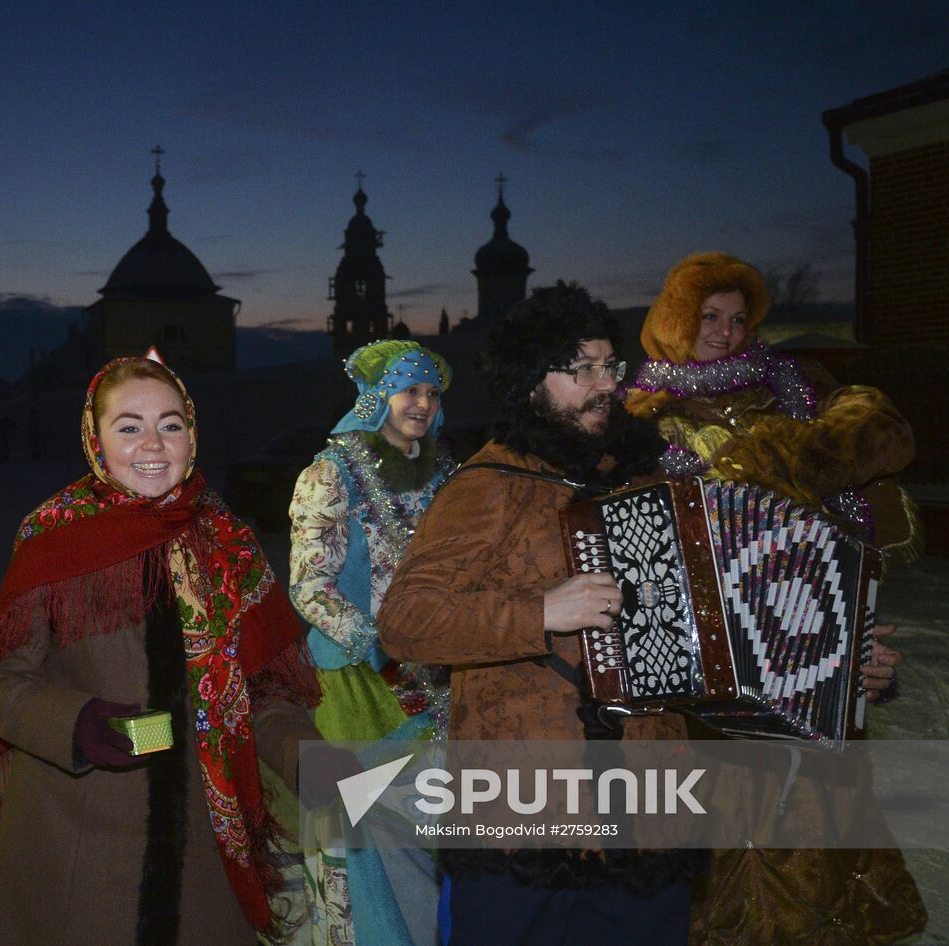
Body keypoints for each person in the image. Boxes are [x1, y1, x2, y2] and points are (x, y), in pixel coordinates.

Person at [377, 283, 701, 946]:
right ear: (531, 383)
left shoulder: (653, 482)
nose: (602, 384)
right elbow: (406, 620)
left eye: (609, 366)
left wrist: (817, 662)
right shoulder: (488, 486)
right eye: (580, 369)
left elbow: (713, 632)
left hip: (649, 807)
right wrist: (541, 611)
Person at [624, 251, 927, 945]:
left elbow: (882, 430)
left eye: (739, 319)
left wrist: (780, 459)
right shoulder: (640, 417)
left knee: (817, 810)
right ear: (675, 319)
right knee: (730, 824)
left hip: (809, 616)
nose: (727, 334)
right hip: (709, 642)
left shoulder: (794, 383)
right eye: (709, 317)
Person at [0, 355, 327, 946]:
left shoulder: (229, 543)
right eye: (129, 426)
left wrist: (315, 767)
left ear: (193, 436)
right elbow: (0, 682)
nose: (153, 445)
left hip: (204, 851)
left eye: (170, 425)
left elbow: (264, 695)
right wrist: (78, 722)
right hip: (81, 844)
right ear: (96, 439)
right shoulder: (54, 536)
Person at [286, 339, 454, 945]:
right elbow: (309, 587)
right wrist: (383, 648)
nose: (423, 403)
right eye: (411, 389)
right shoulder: (329, 474)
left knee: (434, 842)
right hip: (358, 682)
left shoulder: (446, 476)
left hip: (438, 682)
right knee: (366, 841)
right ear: (377, 395)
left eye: (433, 393)